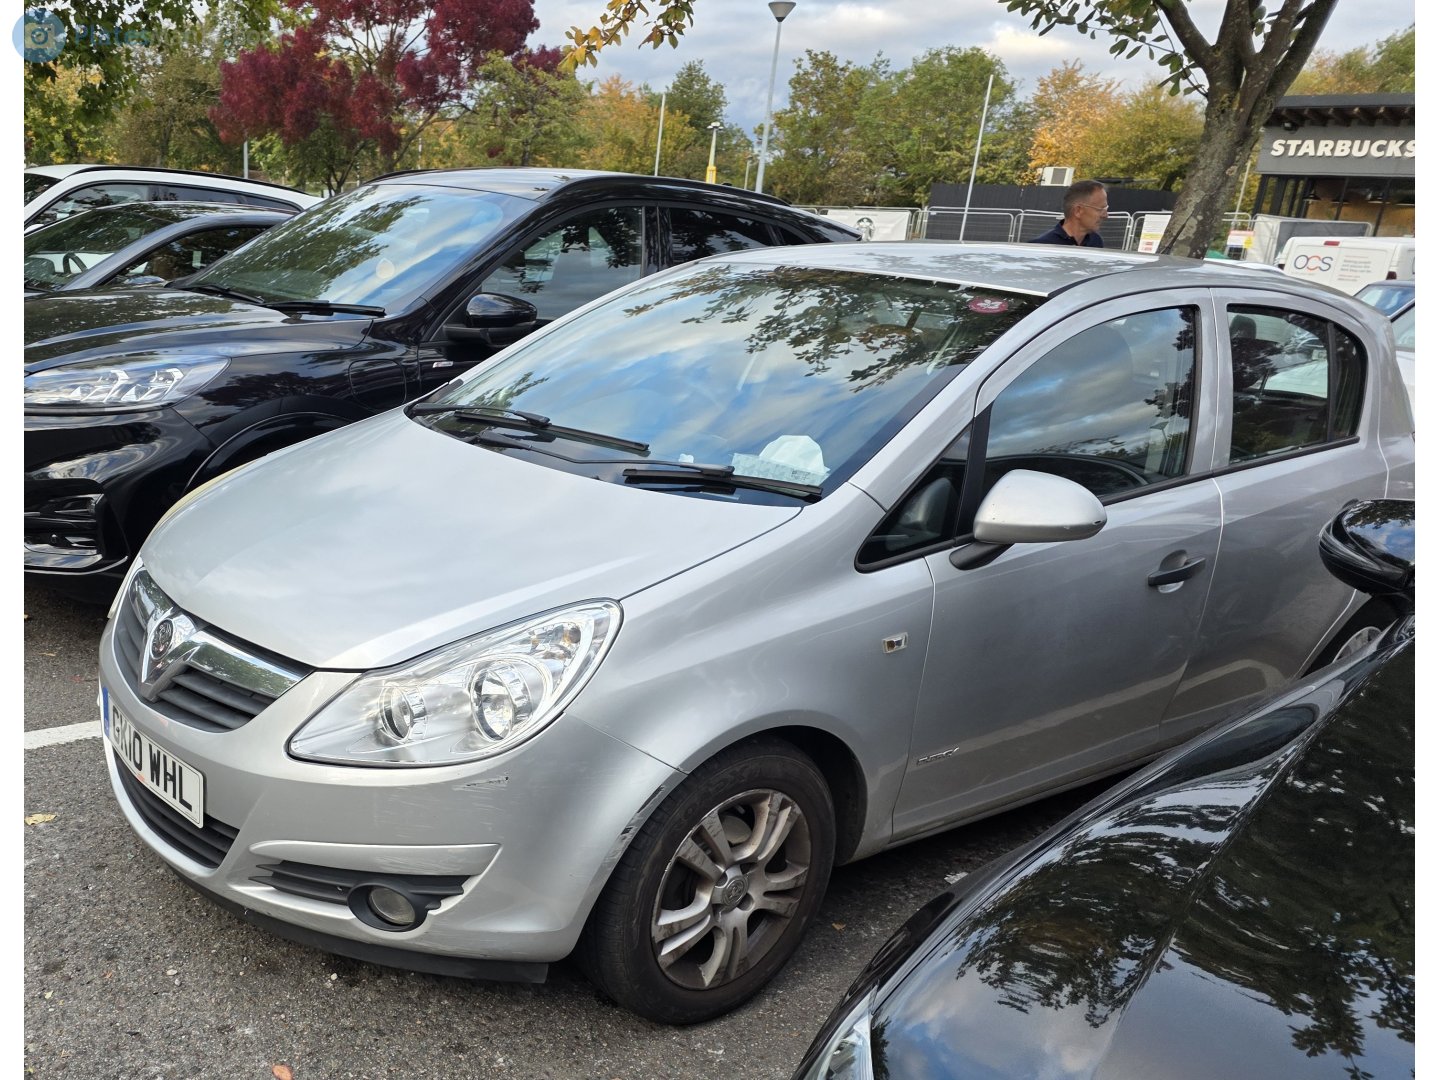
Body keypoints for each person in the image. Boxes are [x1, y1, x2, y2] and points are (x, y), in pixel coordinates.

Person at [1028, 180, 1108, 247]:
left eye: (1105, 209)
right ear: (1078, 211)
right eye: (1100, 209)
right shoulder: (1041, 247)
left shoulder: (1096, 241)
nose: (1105, 215)